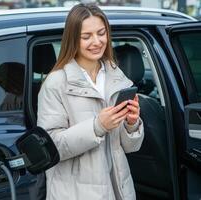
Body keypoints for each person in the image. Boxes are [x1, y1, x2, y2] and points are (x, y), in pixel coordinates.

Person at [37, 3, 144, 200]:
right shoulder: (56, 83)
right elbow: (51, 146)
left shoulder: (116, 76)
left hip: (119, 189)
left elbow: (130, 147)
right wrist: (97, 127)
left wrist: (131, 124)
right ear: (72, 39)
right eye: (86, 37)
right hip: (75, 193)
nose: (96, 41)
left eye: (101, 33)